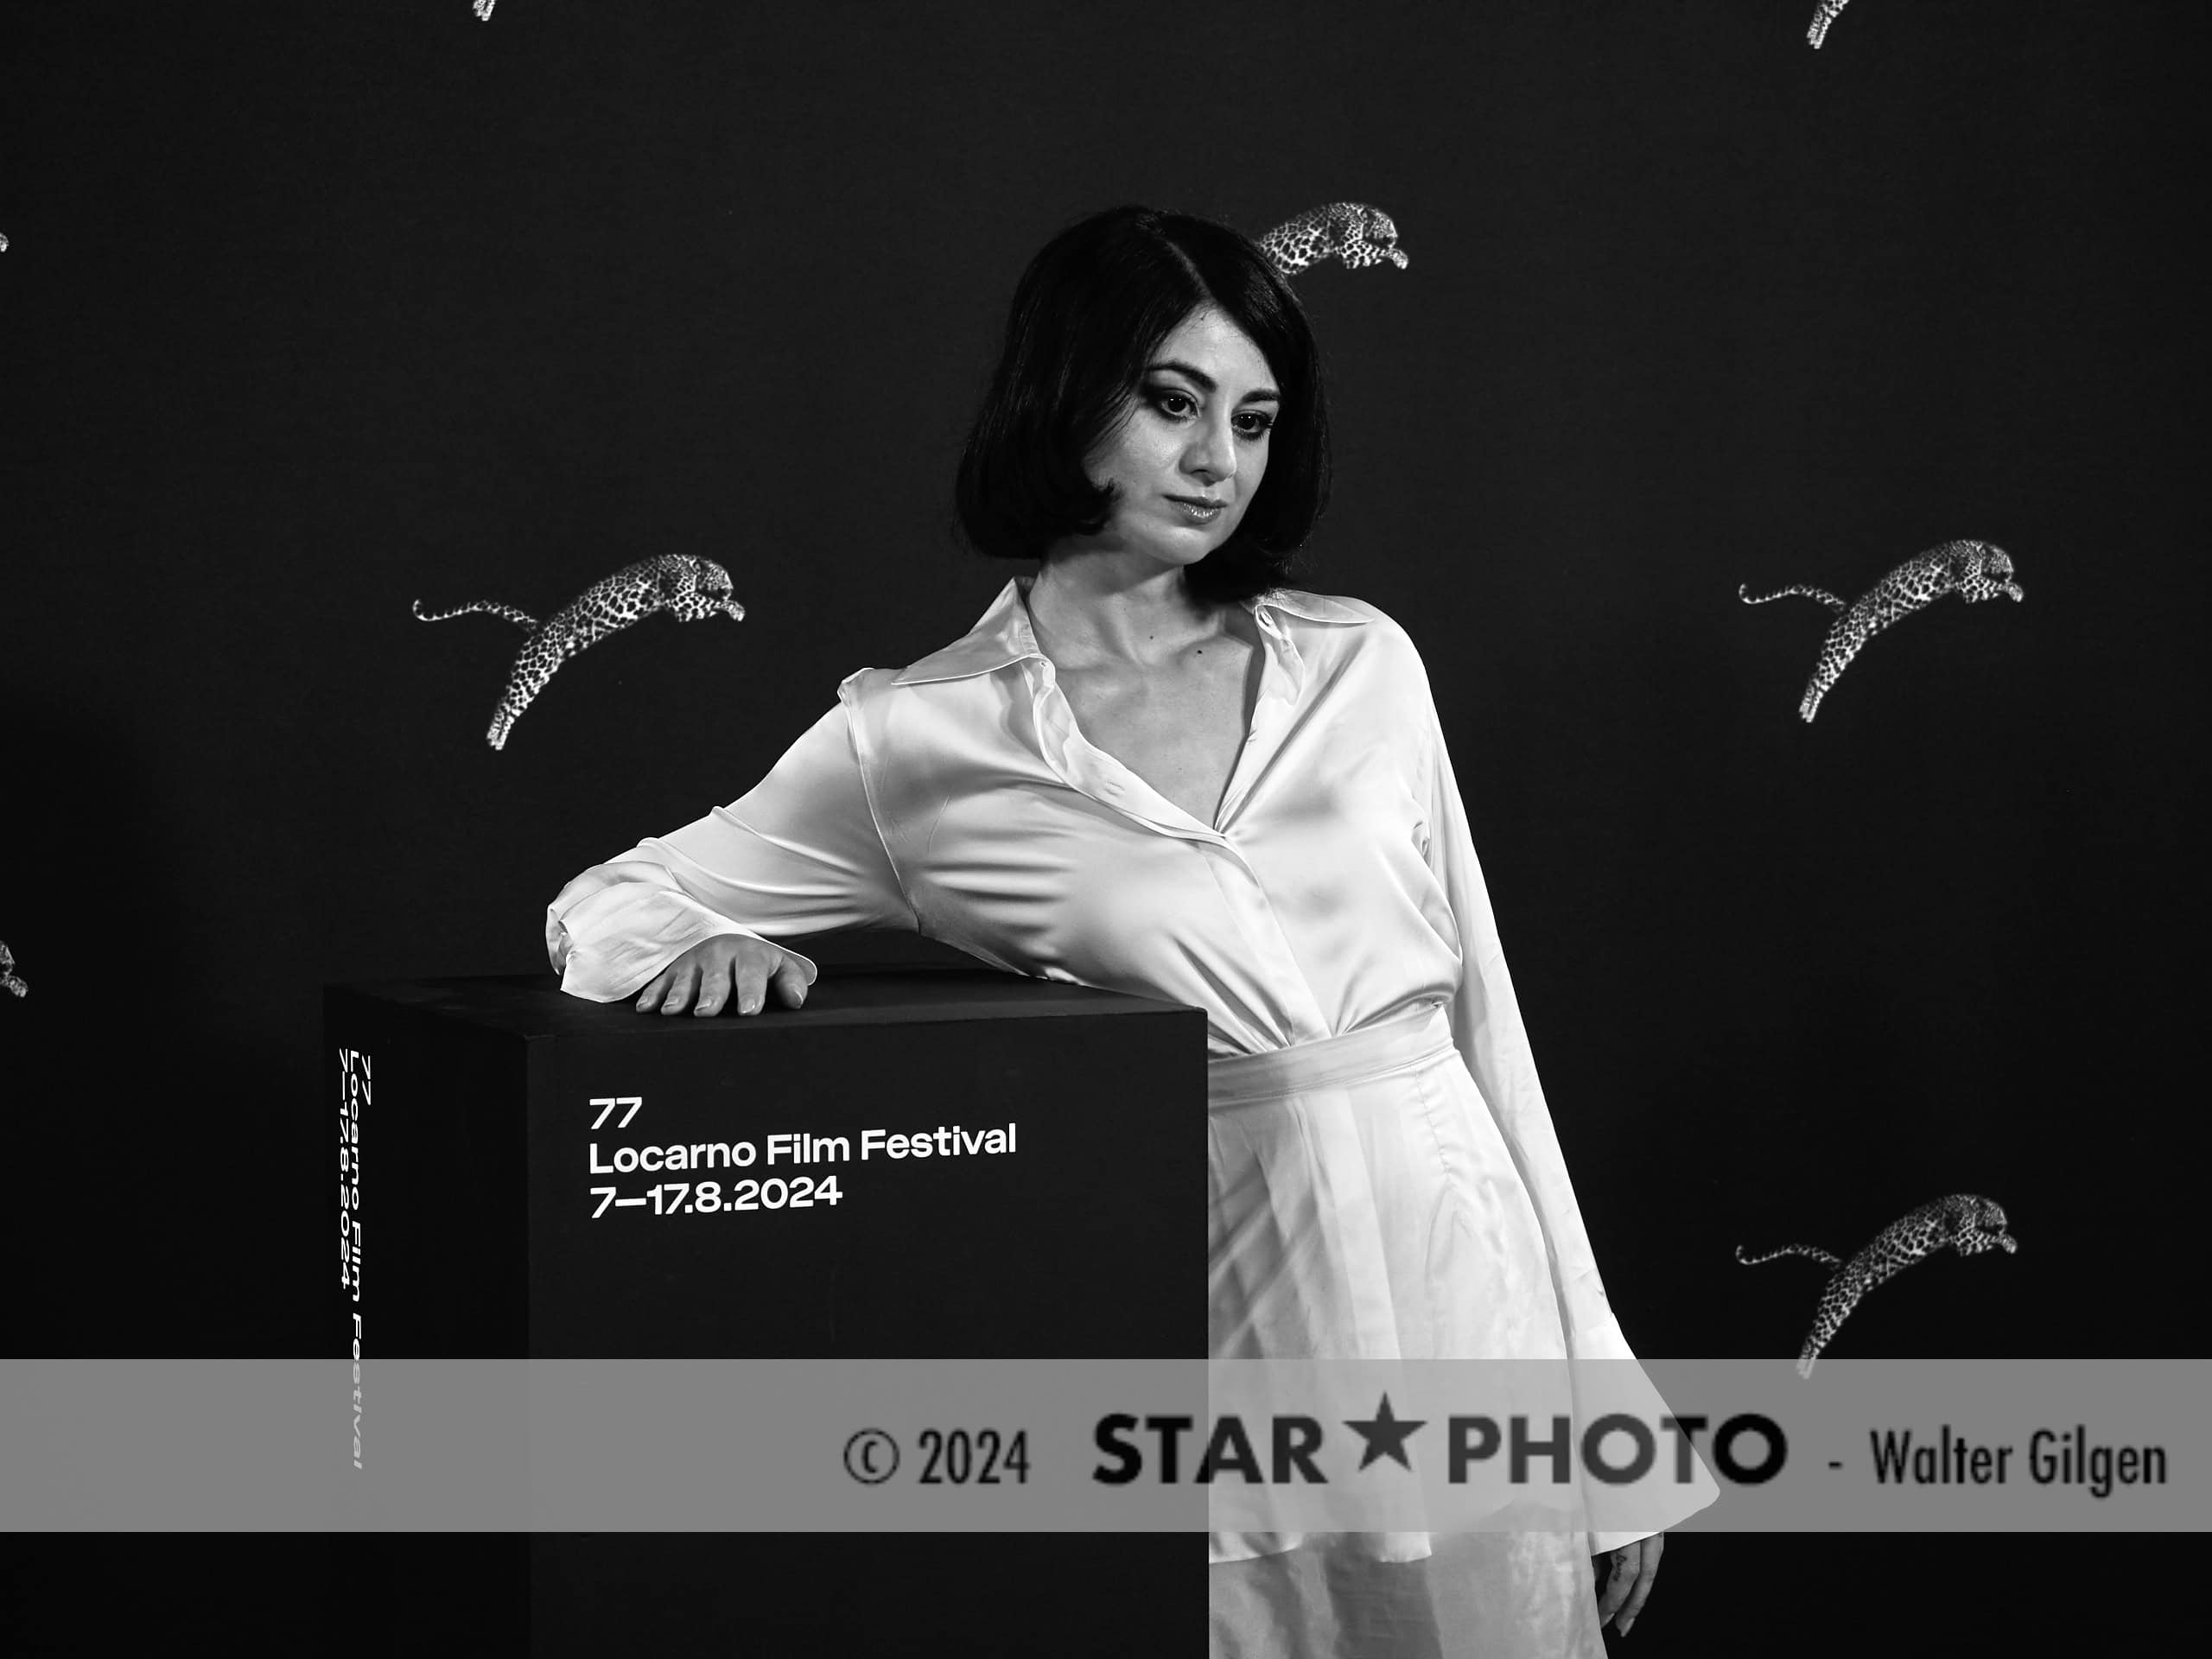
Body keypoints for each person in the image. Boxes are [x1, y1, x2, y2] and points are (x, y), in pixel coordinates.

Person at [546, 204, 1712, 1656]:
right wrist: (690, 946)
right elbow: (607, 905)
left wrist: (1605, 1412)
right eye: (1173, 403)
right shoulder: (917, 739)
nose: (1219, 461)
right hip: (1215, 1317)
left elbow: (1490, 1035)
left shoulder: (1362, 661)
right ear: (1068, 398)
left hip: (1457, 1278)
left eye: (1256, 418)